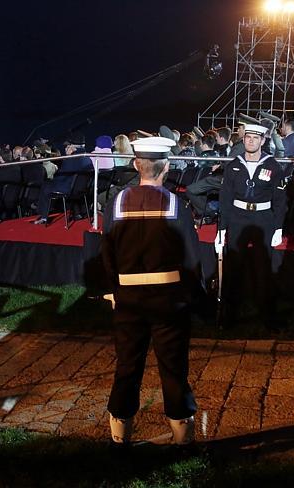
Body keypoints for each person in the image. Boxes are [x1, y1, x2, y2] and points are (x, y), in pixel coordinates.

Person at [101, 136, 202, 447]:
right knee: (173, 368)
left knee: (127, 366)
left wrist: (113, 289)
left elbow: (107, 252)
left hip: (129, 300)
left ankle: (120, 440)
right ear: (167, 167)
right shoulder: (176, 205)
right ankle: (182, 442)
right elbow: (191, 258)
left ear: (136, 164)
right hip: (169, 300)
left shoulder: (115, 204)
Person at [215, 124, 287, 326]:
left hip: (263, 218)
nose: (251, 141)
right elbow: (225, 198)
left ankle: (267, 316)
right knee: (234, 265)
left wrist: (278, 227)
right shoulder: (233, 165)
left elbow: (280, 199)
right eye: (248, 137)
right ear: (243, 139)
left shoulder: (272, 166)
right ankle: (230, 316)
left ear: (263, 140)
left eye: (256, 138)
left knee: (263, 266)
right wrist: (222, 228)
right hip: (238, 217)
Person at [31, 133, 92, 225]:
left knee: (46, 184)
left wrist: (66, 159)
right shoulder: (87, 158)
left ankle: (43, 216)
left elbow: (61, 176)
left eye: (67, 146)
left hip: (69, 189)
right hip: (81, 189)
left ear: (73, 147)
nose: (66, 148)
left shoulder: (72, 159)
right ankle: (78, 213)